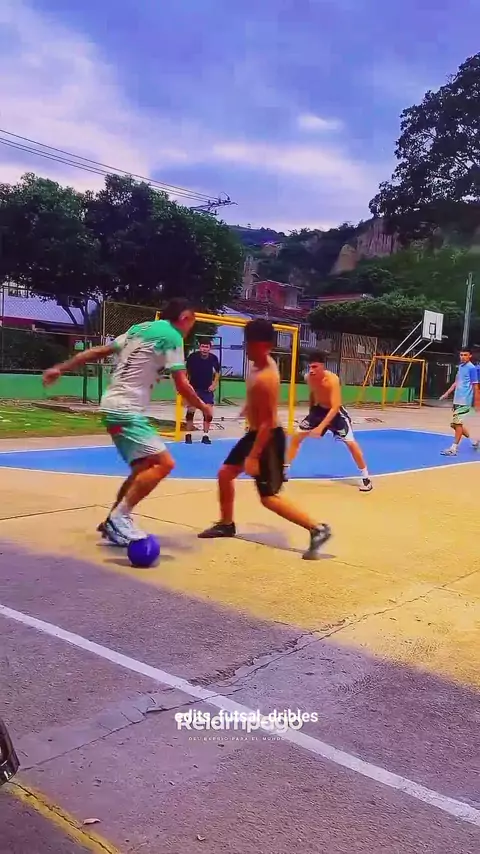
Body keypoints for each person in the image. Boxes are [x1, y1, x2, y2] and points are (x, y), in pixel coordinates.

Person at [42, 298, 212, 546]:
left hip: (113, 404)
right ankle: (119, 518)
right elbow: (182, 384)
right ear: (185, 318)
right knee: (164, 463)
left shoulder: (139, 329)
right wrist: (203, 407)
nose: (189, 330)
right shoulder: (173, 336)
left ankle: (113, 519)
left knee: (142, 468)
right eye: (192, 323)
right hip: (126, 409)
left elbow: (99, 351)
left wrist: (61, 367)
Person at [197, 319, 331, 560]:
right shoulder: (256, 366)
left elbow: (268, 423)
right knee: (225, 474)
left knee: (268, 498)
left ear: (264, 345)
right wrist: (248, 407)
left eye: (250, 343)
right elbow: (256, 399)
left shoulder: (267, 376)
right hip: (255, 433)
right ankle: (226, 524)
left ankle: (317, 528)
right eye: (246, 342)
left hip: (267, 438)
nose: (246, 348)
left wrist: (253, 456)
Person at [285, 351, 372, 492]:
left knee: (351, 443)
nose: (311, 370)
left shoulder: (332, 380)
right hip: (319, 410)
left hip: (336, 413)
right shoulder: (309, 378)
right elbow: (313, 393)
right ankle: (284, 470)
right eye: (310, 367)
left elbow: (335, 406)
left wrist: (320, 427)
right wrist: (311, 413)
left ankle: (366, 477)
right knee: (296, 436)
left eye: (315, 367)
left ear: (322, 367)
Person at [439, 347, 479, 456]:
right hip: (457, 399)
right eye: (461, 355)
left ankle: (453, 448)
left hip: (465, 400)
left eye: (465, 355)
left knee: (457, 424)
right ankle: (474, 441)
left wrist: (476, 402)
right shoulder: (460, 367)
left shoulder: (472, 368)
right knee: (454, 424)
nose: (463, 357)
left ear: (470, 356)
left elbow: (475, 386)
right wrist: (446, 394)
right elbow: (456, 382)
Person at [185, 340, 220, 445]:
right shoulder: (193, 357)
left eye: (207, 347)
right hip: (194, 389)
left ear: (210, 348)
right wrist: (186, 384)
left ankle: (205, 435)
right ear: (199, 347)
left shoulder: (213, 358)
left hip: (207, 390)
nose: (204, 349)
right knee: (190, 411)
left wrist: (214, 384)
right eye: (203, 346)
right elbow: (186, 371)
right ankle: (188, 435)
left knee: (208, 413)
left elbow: (217, 373)